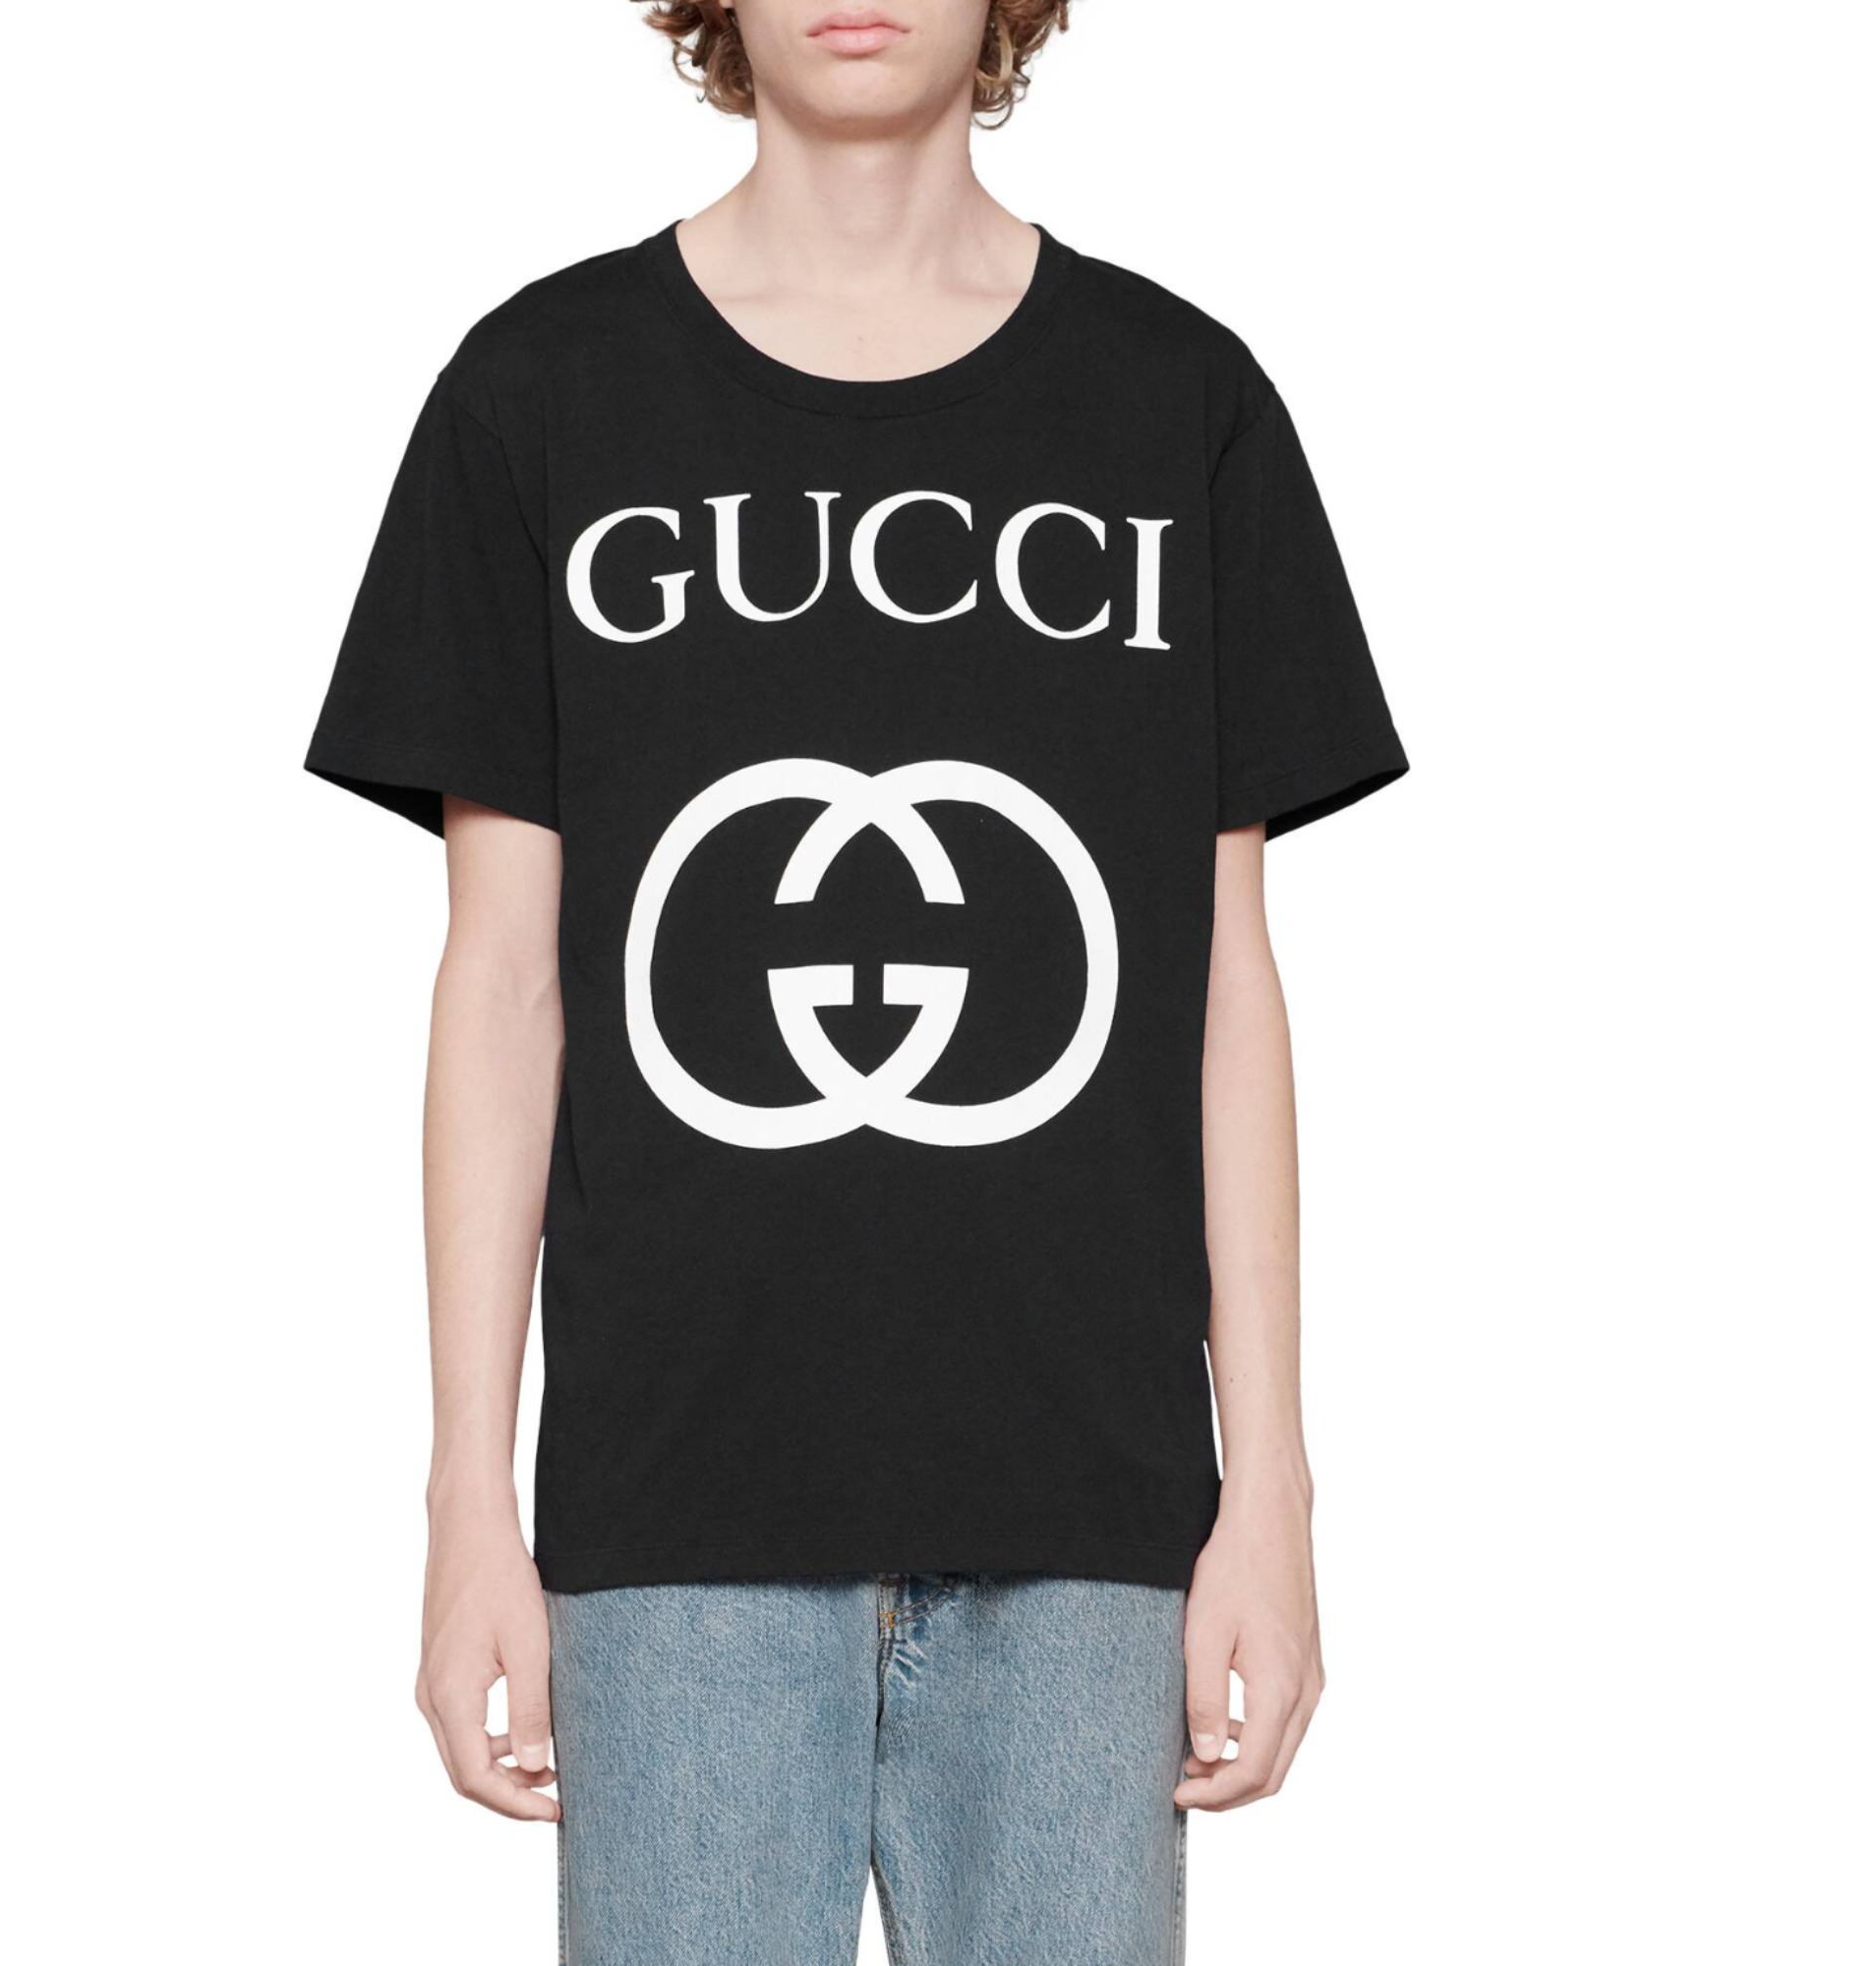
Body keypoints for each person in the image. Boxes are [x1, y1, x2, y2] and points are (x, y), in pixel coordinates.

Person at [305, 2, 1407, 1958]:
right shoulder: (540, 391)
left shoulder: (1178, 402)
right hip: (672, 1517)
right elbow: (501, 985)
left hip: (1093, 1517)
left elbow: (1224, 982)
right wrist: (468, 1503)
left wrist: (1276, 1498)